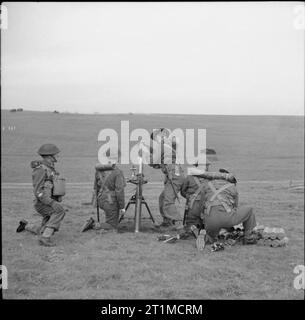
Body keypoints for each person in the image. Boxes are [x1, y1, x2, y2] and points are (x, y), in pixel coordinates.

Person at [16, 143, 66, 247]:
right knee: (59, 210)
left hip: (48, 201)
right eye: (56, 154)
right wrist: (52, 203)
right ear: (49, 156)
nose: (58, 156)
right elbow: (38, 192)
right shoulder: (40, 169)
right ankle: (45, 238)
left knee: (43, 229)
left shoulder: (50, 168)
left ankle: (25, 226)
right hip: (42, 203)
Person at [202, 170, 257, 245]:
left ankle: (210, 237)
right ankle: (248, 238)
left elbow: (202, 207)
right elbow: (234, 207)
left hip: (209, 222)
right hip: (226, 218)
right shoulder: (232, 187)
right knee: (249, 210)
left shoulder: (207, 185)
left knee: (212, 236)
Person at [148, 128, 185, 234]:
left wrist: (147, 153)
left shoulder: (163, 145)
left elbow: (152, 161)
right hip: (174, 174)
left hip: (174, 175)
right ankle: (167, 223)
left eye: (156, 136)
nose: (155, 139)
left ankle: (179, 225)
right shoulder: (167, 145)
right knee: (162, 198)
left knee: (168, 201)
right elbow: (156, 164)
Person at [94, 149, 126, 231]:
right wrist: (122, 207)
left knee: (110, 219)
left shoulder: (99, 169)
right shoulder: (117, 172)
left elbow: (95, 187)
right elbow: (119, 191)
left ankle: (101, 224)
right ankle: (94, 225)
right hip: (110, 201)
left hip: (101, 199)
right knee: (112, 226)